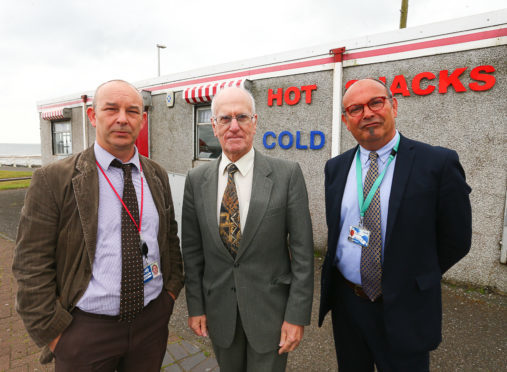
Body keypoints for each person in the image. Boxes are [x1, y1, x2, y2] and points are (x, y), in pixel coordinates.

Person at [12, 80, 184, 371]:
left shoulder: (156, 175)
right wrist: (55, 334)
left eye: (132, 111)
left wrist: (170, 293)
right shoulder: (54, 179)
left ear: (142, 121)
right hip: (85, 332)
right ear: (92, 116)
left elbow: (168, 238)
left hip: (151, 324)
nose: (121, 118)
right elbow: (30, 263)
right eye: (111, 109)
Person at [319, 78, 472, 371]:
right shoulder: (335, 168)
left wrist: (414, 277)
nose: (367, 113)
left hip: (406, 307)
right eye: (355, 108)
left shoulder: (437, 163)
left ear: (394, 105)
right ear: (346, 120)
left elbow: (457, 239)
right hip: (348, 305)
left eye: (376, 102)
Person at [182, 86, 314, 371]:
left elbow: (303, 253)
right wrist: (196, 307)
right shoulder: (196, 180)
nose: (234, 126)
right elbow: (192, 252)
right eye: (225, 119)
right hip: (220, 313)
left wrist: (297, 315)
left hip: (272, 314)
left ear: (255, 122)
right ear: (214, 126)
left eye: (242, 117)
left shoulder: (287, 174)